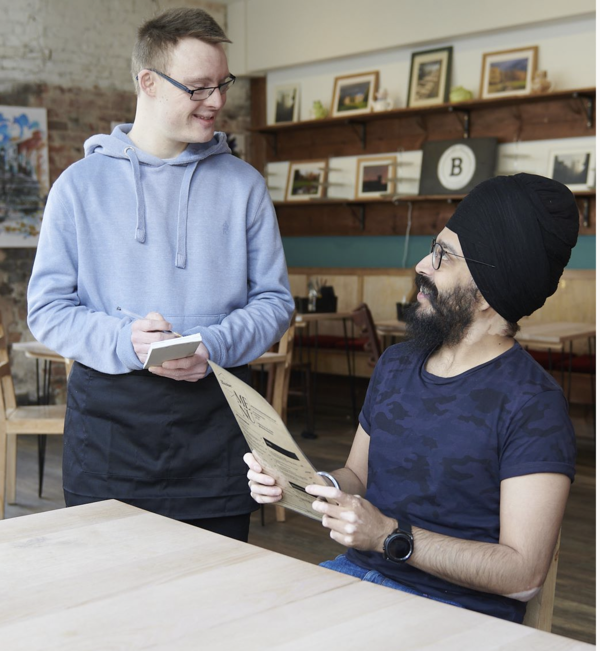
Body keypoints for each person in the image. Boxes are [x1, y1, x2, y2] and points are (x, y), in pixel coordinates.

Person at [245, 172, 579, 622]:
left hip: (456, 615)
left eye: (443, 255)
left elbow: (523, 573)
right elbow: (356, 477)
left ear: (486, 289)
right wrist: (310, 485)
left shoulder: (533, 403)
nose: (423, 264)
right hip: (354, 579)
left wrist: (388, 536)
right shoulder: (397, 363)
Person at [27, 7, 294, 542]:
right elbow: (47, 311)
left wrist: (209, 345)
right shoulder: (77, 186)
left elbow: (275, 302)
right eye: (198, 88)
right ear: (147, 82)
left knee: (214, 601)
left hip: (219, 425)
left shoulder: (244, 186)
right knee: (109, 604)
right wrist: (126, 340)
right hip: (109, 433)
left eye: (222, 84)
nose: (216, 101)